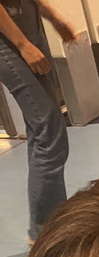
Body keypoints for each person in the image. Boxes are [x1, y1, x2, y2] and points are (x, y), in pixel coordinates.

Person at [0, 0, 74, 243]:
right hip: (8, 36)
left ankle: (48, 223)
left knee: (42, 130)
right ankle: (47, 230)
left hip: (27, 23)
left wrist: (52, 17)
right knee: (48, 131)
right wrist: (22, 44)